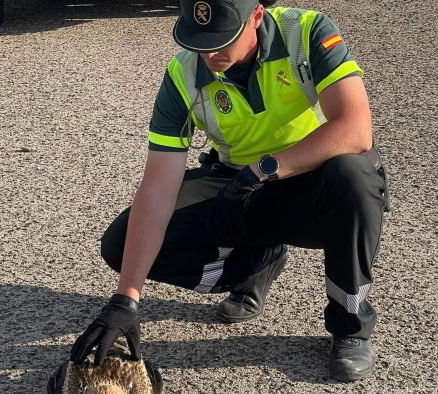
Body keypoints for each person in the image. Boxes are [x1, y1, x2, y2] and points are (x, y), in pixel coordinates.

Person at [70, 0, 389, 382]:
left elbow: (355, 130)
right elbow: (157, 190)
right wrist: (125, 300)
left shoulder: (306, 31)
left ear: (256, 16)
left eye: (222, 39)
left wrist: (264, 170)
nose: (209, 52)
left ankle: (350, 326)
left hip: (314, 181)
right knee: (122, 243)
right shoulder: (182, 74)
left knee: (355, 176)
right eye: (199, 40)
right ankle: (256, 264)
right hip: (238, 185)